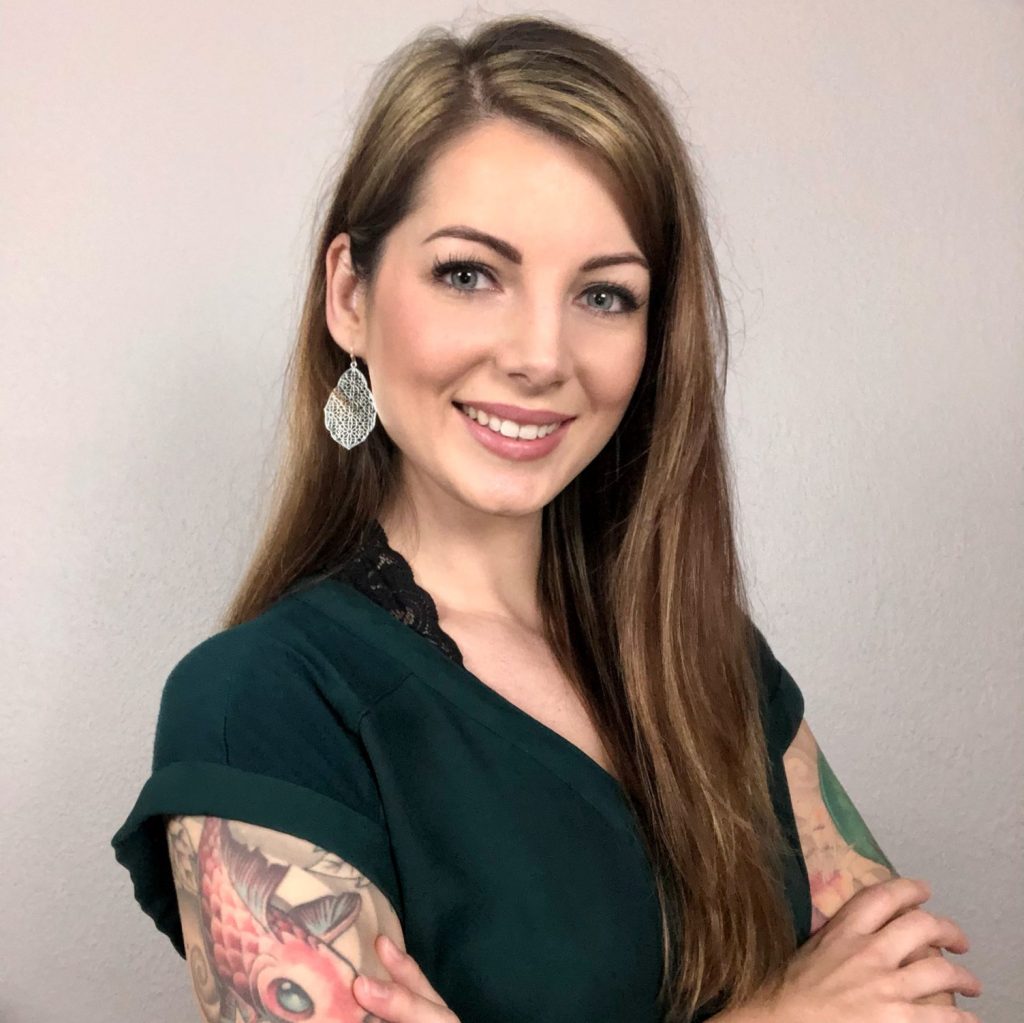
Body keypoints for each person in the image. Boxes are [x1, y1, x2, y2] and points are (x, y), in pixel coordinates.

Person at [110, 14, 982, 1023]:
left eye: (604, 296)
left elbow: (913, 1003)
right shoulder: (262, 706)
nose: (539, 355)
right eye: (469, 274)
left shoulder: (706, 654)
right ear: (349, 294)